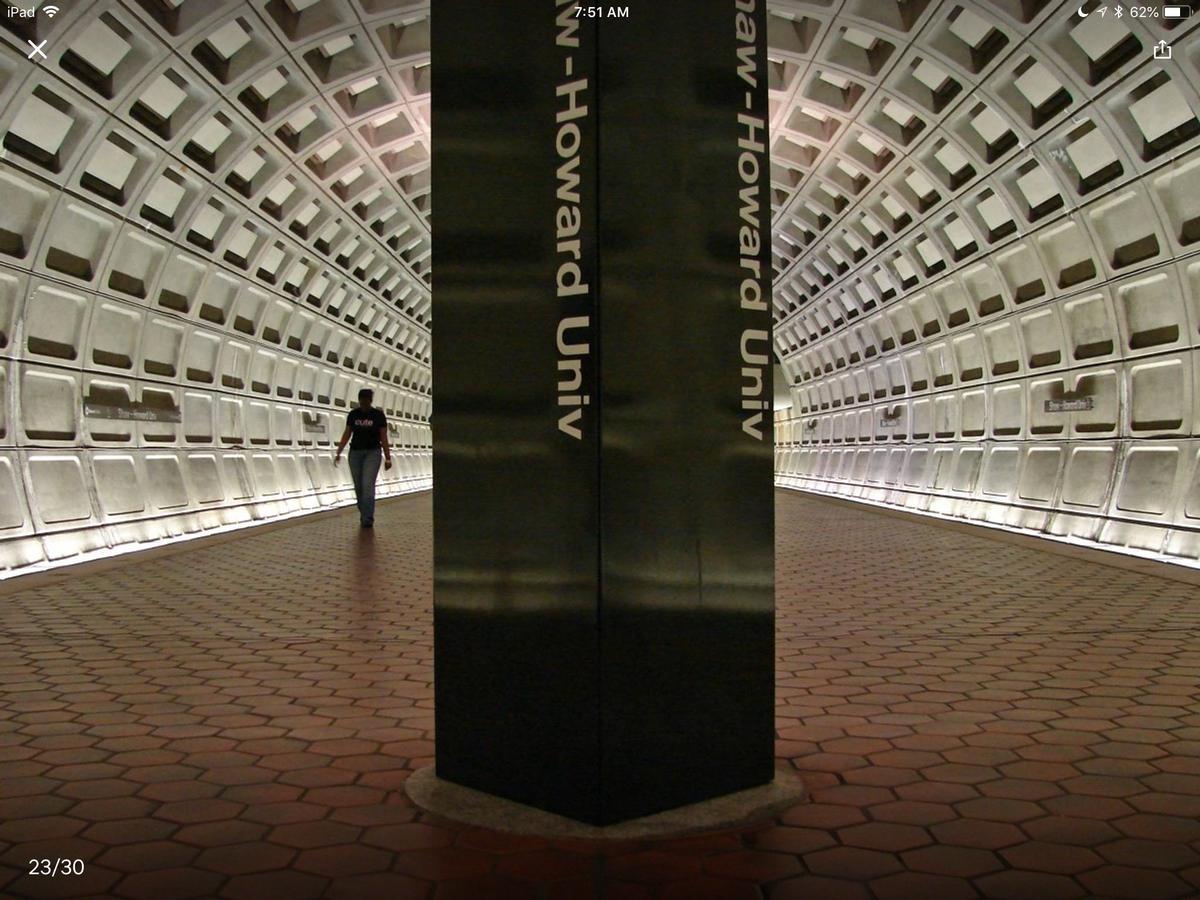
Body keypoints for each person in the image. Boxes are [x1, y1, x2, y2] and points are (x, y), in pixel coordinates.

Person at [334, 388, 392, 527]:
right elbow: (347, 433)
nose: (364, 405)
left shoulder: (378, 416)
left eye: (366, 402)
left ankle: (367, 518)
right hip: (355, 453)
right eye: (362, 402)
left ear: (370, 401)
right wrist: (339, 452)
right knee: (358, 486)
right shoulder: (353, 415)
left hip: (373, 452)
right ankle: (364, 512)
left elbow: (383, 437)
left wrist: (388, 458)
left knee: (367, 485)